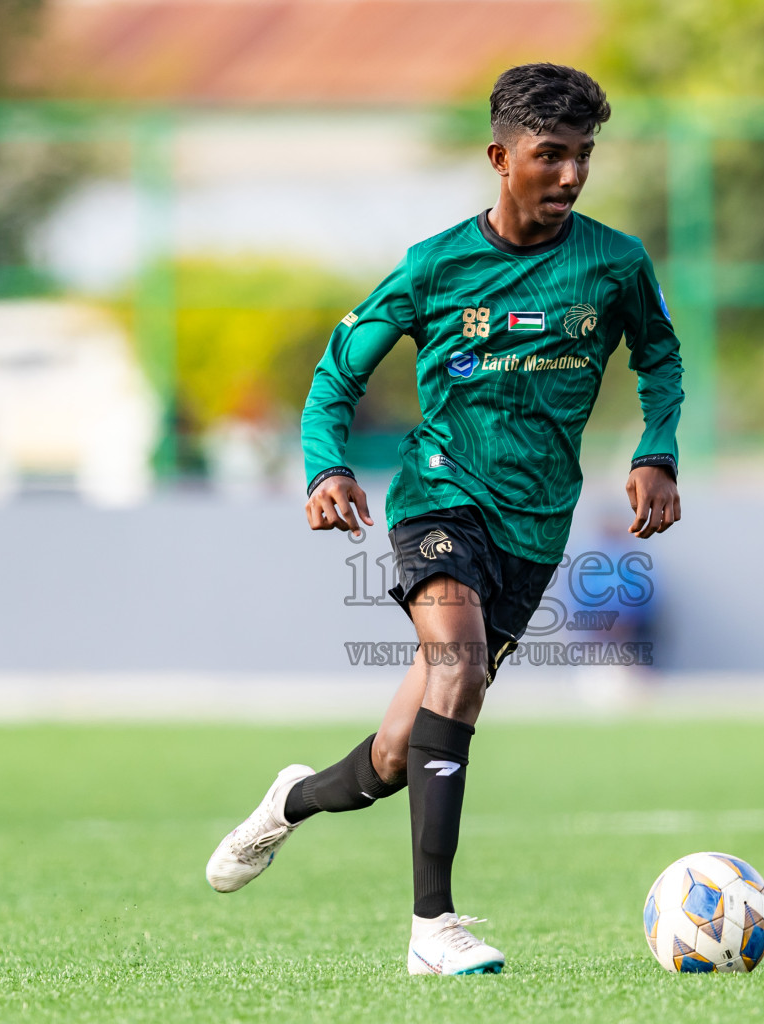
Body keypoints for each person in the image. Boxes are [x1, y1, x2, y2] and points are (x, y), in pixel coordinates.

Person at [205, 63, 684, 976]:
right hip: (438, 496)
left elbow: (662, 361)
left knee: (396, 751)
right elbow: (337, 374)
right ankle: (436, 927)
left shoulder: (616, 265)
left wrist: (656, 448)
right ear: (501, 157)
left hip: (536, 529)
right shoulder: (434, 267)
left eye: (585, 156)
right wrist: (327, 467)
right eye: (552, 156)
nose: (573, 176)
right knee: (456, 666)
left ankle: (289, 802)